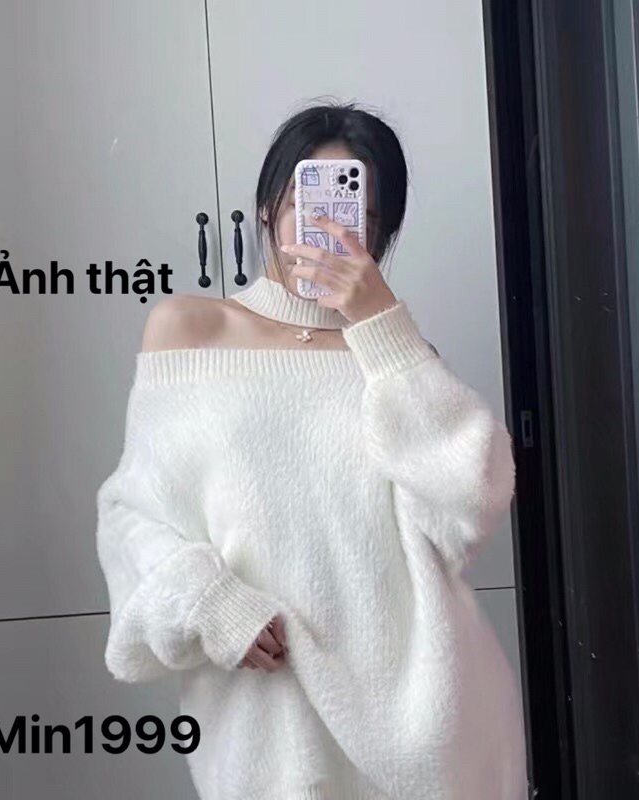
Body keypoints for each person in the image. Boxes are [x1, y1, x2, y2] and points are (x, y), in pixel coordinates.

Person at [95, 101, 527, 800]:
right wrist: (209, 602)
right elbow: (132, 514)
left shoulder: (395, 355)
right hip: (268, 733)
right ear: (268, 208)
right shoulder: (191, 329)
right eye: (306, 203)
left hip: (427, 736)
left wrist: (379, 323)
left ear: (380, 232)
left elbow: (473, 504)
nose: (327, 227)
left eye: (358, 212)